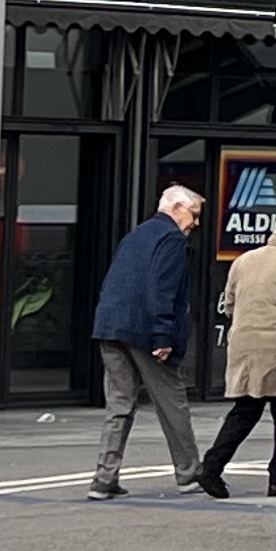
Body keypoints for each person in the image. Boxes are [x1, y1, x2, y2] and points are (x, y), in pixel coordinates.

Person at [193, 213, 276, 502]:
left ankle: (212, 467)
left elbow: (229, 305)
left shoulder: (244, 260)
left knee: (245, 410)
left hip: (243, 345)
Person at [87, 183, 207, 499]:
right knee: (171, 403)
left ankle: (104, 478)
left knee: (119, 404)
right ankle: (189, 473)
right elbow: (161, 289)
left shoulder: (136, 235)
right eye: (194, 214)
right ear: (177, 208)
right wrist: (163, 335)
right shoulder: (171, 239)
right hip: (144, 330)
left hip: (110, 326)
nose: (196, 223)